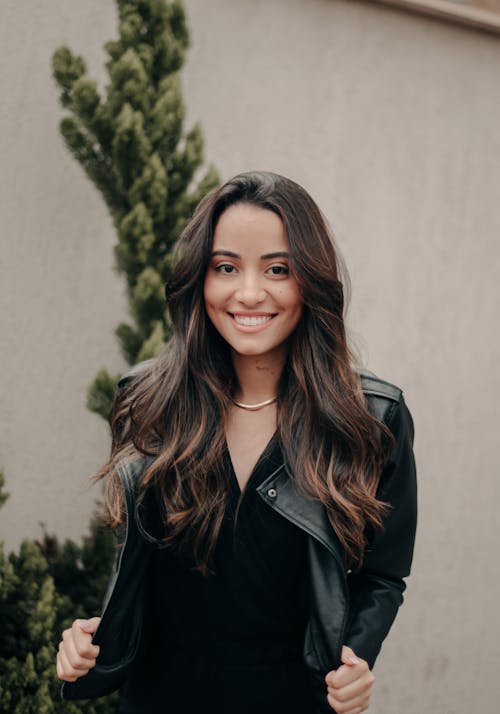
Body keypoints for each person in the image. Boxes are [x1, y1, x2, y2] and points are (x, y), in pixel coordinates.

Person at [56, 171, 417, 714]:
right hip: (160, 697)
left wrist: (355, 659)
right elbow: (135, 564)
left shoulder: (370, 419)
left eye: (278, 269)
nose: (249, 293)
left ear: (311, 282)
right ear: (199, 280)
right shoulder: (149, 400)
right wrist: (88, 641)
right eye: (226, 267)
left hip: (293, 696)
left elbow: (384, 573)